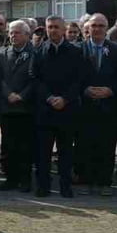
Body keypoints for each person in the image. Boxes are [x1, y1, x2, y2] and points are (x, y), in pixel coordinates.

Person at [32, 15, 82, 198]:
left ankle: (65, 186)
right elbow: (35, 79)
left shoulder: (75, 51)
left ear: (64, 29)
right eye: (50, 27)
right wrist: (49, 97)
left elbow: (79, 80)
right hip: (45, 110)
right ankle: (43, 186)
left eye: (56, 27)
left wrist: (65, 99)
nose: (52, 30)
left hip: (67, 109)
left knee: (66, 152)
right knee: (43, 153)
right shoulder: (38, 51)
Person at [77, 13, 117, 196]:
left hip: (108, 107)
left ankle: (105, 182)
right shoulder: (77, 49)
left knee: (107, 146)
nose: (97, 29)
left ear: (107, 28)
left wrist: (111, 90)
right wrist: (84, 89)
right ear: (88, 28)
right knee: (84, 145)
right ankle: (85, 181)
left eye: (101, 26)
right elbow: (72, 77)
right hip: (85, 106)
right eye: (93, 25)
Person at [0, 19, 36, 193]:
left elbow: (36, 79)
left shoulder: (36, 53)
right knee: (7, 146)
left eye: (17, 32)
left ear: (27, 35)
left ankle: (25, 180)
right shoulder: (1, 53)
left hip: (26, 108)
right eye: (11, 32)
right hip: (7, 108)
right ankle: (10, 178)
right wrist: (8, 94)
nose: (13, 35)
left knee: (26, 147)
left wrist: (22, 95)